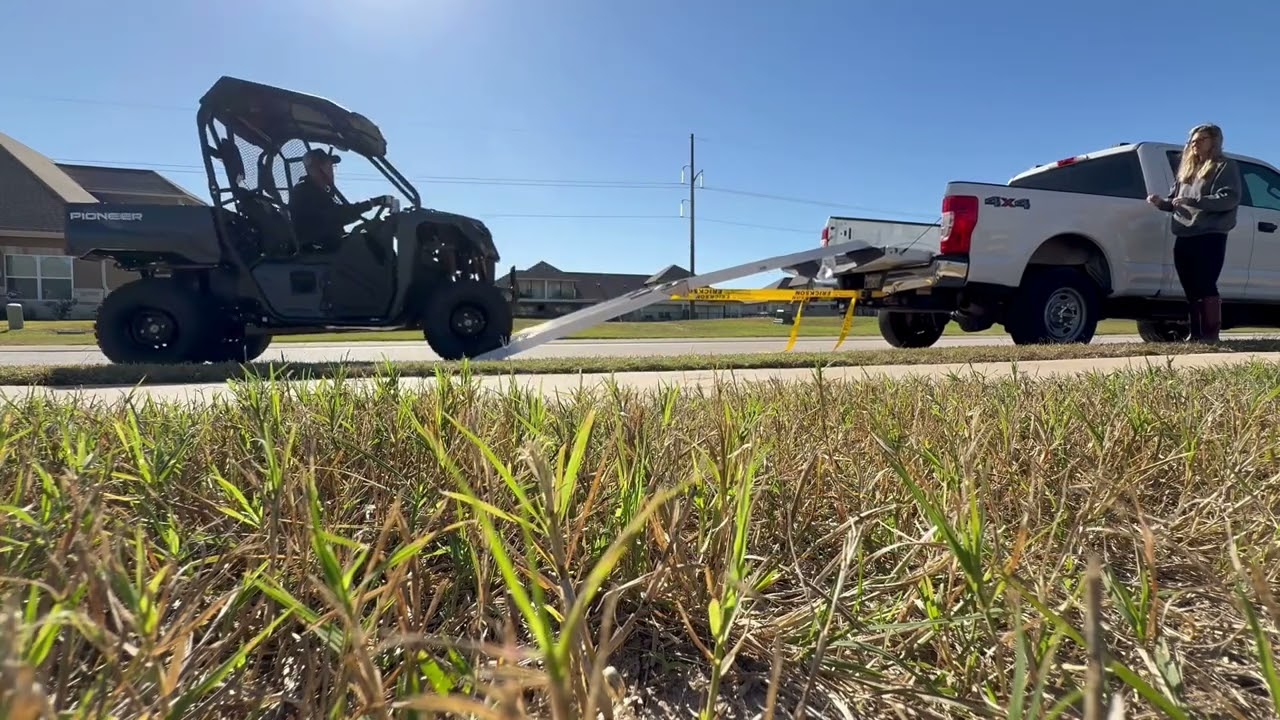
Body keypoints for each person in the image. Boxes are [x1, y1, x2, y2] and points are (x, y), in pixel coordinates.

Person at [1146, 123, 1242, 343]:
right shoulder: (1187, 170)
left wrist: (1195, 201)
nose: (1195, 144)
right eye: (1192, 141)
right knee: (1189, 285)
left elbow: (1229, 198)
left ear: (1214, 141)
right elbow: (1175, 201)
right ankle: (1196, 333)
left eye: (1201, 139)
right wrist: (1161, 203)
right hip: (1184, 233)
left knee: (1205, 282)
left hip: (1210, 233)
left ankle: (1210, 334)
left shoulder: (1224, 166)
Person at [288, 148, 392, 251]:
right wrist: (371, 204)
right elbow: (336, 216)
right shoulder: (303, 192)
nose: (331, 170)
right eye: (326, 166)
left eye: (332, 166)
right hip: (317, 250)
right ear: (313, 169)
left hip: (328, 247)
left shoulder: (319, 192)